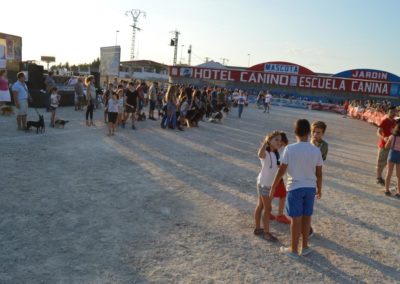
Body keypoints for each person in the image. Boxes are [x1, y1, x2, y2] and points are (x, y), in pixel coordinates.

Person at [270, 119, 323, 258]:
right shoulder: (315, 150)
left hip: (295, 187)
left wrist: (274, 185)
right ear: (309, 133)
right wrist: (319, 188)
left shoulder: (290, 149)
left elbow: (281, 170)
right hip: (310, 187)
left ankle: (293, 249)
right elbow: (319, 173)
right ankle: (304, 247)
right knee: (307, 217)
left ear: (295, 132)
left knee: (295, 219)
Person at [254, 131, 282, 242]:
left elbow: (278, 166)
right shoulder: (265, 151)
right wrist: (265, 144)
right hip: (263, 184)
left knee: (261, 206)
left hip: (268, 184)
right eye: (276, 140)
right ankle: (266, 232)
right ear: (269, 140)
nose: (279, 142)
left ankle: (258, 228)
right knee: (267, 208)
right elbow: (260, 155)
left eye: (280, 140)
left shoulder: (276, 153)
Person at [309, 121, 329, 237]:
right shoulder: (306, 142)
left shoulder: (324, 146)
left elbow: (320, 162)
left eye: (318, 132)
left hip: (313, 176)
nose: (315, 135)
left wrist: (319, 187)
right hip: (303, 174)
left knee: (309, 204)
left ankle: (307, 227)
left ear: (323, 133)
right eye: (313, 132)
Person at [271, 132, 291, 224]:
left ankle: (267, 211)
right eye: (280, 144)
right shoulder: (274, 151)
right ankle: (279, 215)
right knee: (282, 194)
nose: (281, 146)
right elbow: (276, 165)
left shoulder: (273, 150)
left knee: (271, 194)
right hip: (276, 176)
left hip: (275, 176)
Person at [376, 106, 397, 186]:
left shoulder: (395, 122)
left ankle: (383, 178)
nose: (393, 113)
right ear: (388, 112)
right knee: (380, 162)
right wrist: (383, 137)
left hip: (392, 146)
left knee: (388, 163)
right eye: (391, 112)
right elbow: (378, 132)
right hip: (383, 145)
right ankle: (378, 178)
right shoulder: (385, 121)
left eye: (394, 112)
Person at [384, 120, 400, 197]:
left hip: (392, 154)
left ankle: (387, 190)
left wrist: (387, 140)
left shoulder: (392, 136)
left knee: (389, 173)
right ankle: (399, 192)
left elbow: (386, 147)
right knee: (399, 175)